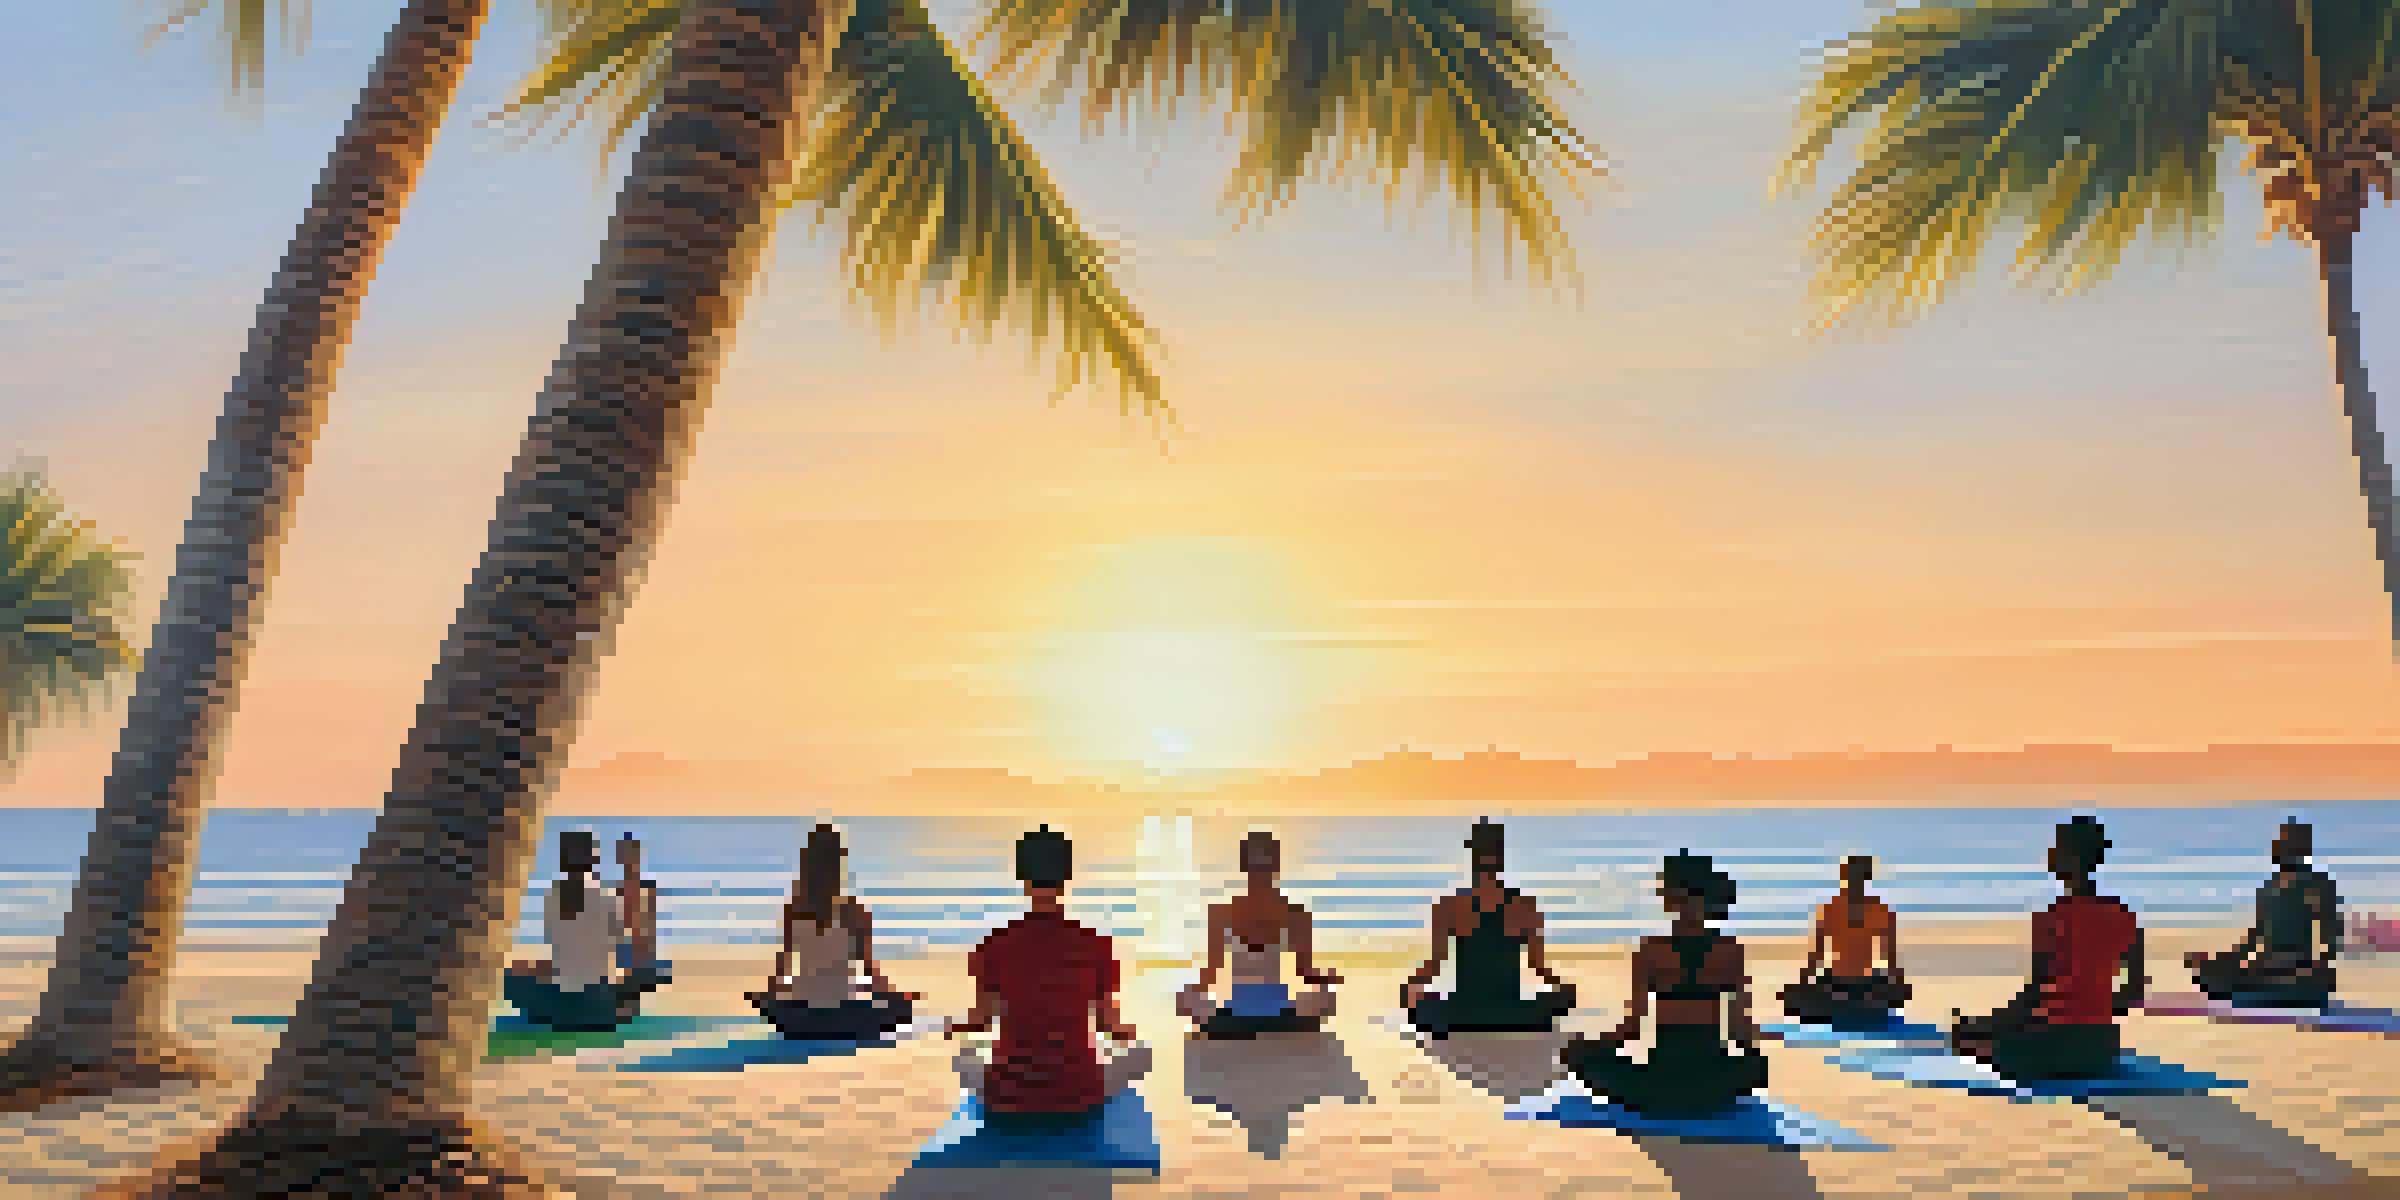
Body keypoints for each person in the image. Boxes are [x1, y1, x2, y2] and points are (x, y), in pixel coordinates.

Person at [947, 825, 1153, 1129]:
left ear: (1022, 876)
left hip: (1010, 1095)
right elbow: (1109, 1026)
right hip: (1078, 1095)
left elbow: (982, 1020)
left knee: (964, 1054)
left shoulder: (992, 945)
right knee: (1142, 1053)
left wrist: (952, 1025)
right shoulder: (1097, 944)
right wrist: (1128, 1032)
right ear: (1067, 877)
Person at [1558, 851, 1771, 1119]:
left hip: (1659, 1085)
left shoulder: (1650, 950)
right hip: (1712, 1086)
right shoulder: (1730, 950)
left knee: (1576, 1052)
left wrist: (1592, 1043)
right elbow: (1740, 1030)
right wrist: (1753, 1057)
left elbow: (1631, 1030)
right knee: (1756, 1065)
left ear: (1673, 897)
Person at [1949, 816, 2145, 1081]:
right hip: (2102, 1050)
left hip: (2053, 1047)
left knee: (1980, 1041)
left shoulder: (2050, 918)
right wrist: (2094, 1010)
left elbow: (2034, 997)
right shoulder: (2125, 916)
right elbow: (2133, 992)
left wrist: (1984, 1025)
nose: (2050, 855)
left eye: (2056, 849)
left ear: (2071, 858)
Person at [1401, 818, 1577, 1036]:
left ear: (1473, 858)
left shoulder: (1449, 906)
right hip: (1510, 1012)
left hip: (1463, 1013)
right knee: (1556, 1001)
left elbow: (1436, 962)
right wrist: (1562, 988)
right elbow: (1537, 965)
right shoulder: (1524, 906)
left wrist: (1410, 988)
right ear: (1501, 859)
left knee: (1422, 1004)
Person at [747, 823, 915, 1039]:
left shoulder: (794, 908)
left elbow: (783, 967)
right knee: (892, 1006)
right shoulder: (854, 910)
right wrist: (897, 998)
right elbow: (869, 970)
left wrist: (769, 996)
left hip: (801, 1013)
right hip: (843, 1009)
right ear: (839, 867)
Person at [1177, 831, 1342, 1037]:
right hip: (1237, 1011)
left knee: (1328, 998)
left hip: (1279, 1011)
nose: (1261, 873)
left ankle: (1238, 1030)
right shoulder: (1222, 913)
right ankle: (1262, 1029)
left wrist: (1327, 979)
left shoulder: (1295, 914)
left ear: (1275, 867)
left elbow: (1305, 970)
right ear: (1245, 867)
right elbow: (1212, 971)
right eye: (1256, 866)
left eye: (1265, 866)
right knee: (1183, 998)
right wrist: (1189, 989)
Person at [504, 830, 656, 1031]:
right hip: (602, 1003)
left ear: (564, 860)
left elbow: (554, 939)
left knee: (513, 972)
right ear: (593, 860)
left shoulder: (553, 895)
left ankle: (557, 1015)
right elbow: (620, 940)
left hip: (565, 997)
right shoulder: (605, 895)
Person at [2186, 819, 2342, 1009]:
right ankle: (2265, 991)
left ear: (2303, 848)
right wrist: (2226, 959)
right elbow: (2257, 935)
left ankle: (2279, 992)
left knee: (2305, 983)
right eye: (2279, 843)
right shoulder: (2270, 887)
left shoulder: (2318, 883)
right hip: (2266, 966)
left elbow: (2330, 929)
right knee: (2209, 971)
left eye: (2287, 843)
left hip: (2299, 967)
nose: (2279, 849)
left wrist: (2323, 963)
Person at [1780, 854, 1911, 1025]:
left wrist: (1895, 983)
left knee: (1892, 990)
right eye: (1853, 876)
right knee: (1794, 996)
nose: (1854, 882)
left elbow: (1888, 954)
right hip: (1839, 981)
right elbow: (1817, 954)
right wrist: (1806, 984)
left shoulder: (1876, 910)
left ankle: (1849, 1006)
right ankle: (1852, 1006)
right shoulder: (1834, 908)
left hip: (1864, 982)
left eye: (1856, 876)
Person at [614, 833, 671, 990]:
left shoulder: (645, 887)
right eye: (625, 855)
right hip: (628, 952)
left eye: (631, 854)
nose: (628, 860)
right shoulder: (619, 889)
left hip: (640, 954)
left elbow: (648, 926)